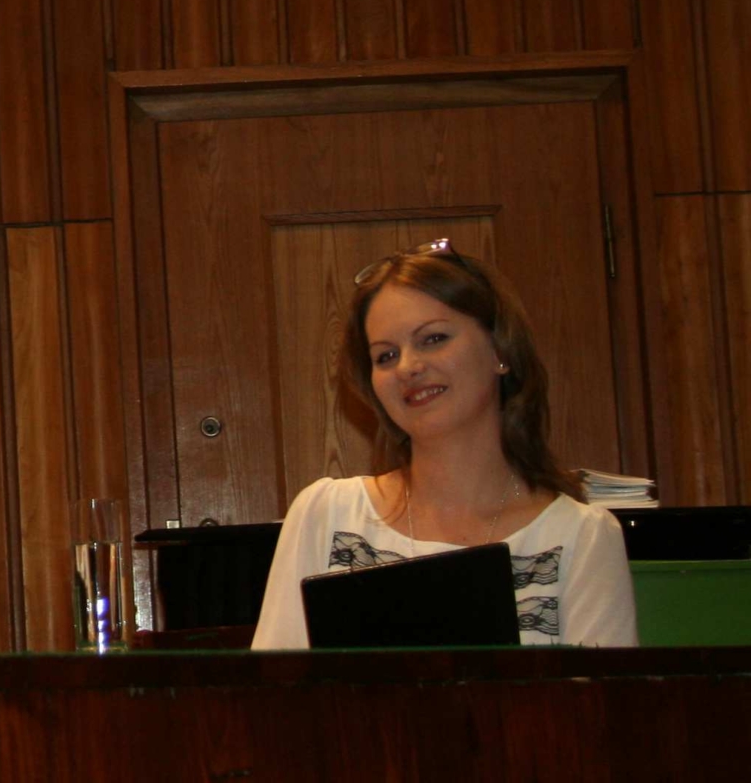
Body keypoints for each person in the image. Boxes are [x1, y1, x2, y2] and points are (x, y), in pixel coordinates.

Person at [252, 239, 636, 647]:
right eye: (385, 356)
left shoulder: (582, 535)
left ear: (500, 349)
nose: (408, 367)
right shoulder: (326, 514)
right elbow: (274, 685)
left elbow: (594, 691)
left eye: (433, 338)